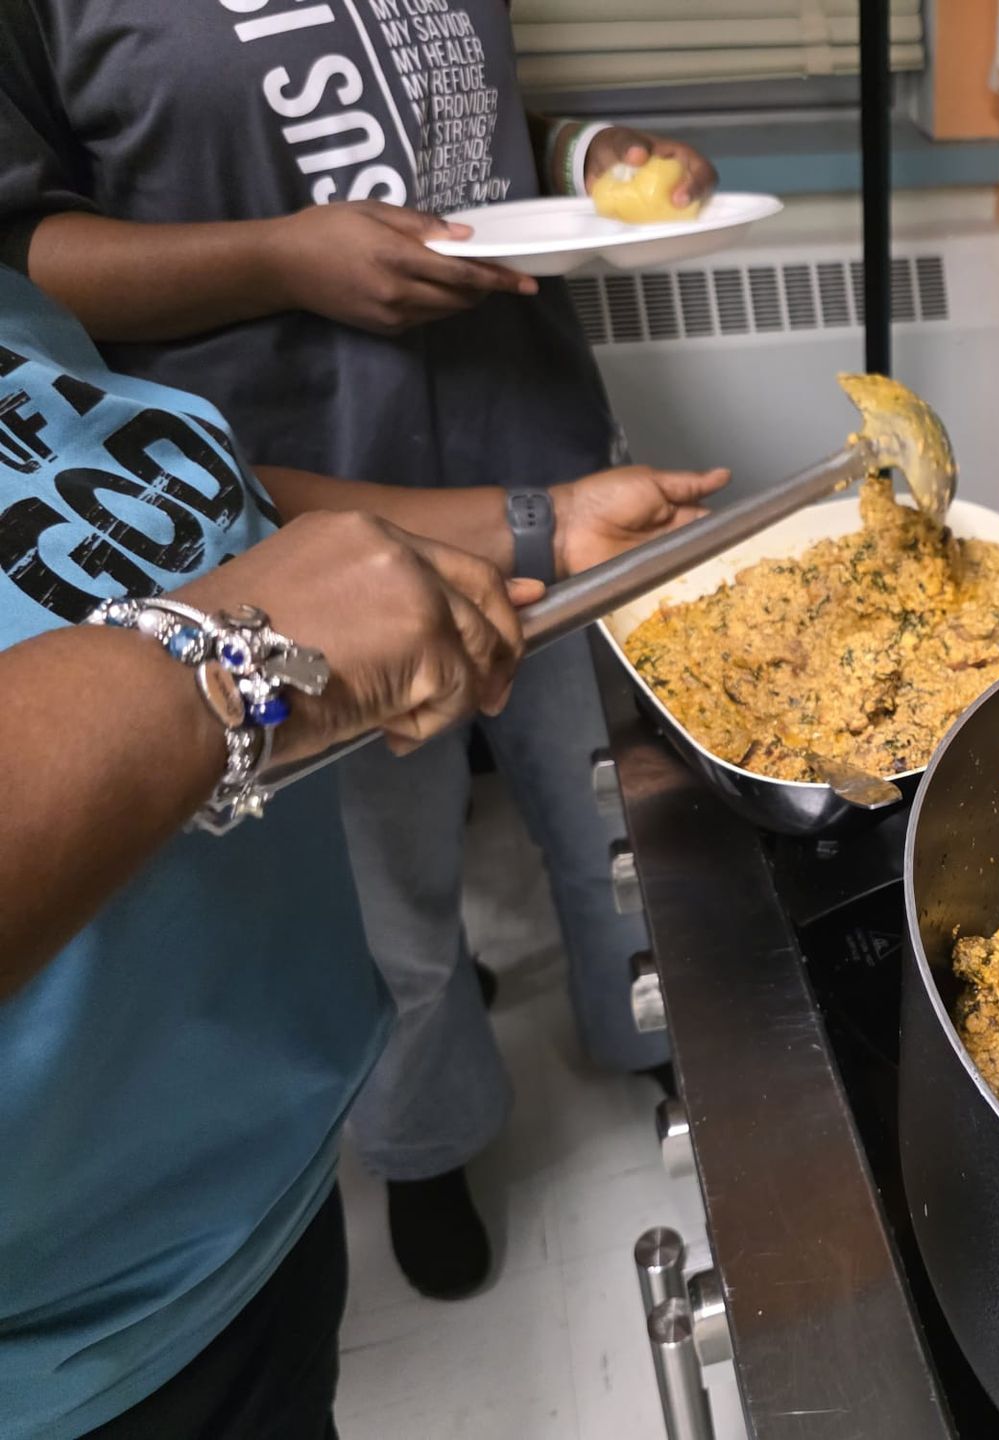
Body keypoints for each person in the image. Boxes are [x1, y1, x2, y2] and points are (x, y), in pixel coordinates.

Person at [0, 0, 727, 1297]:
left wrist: (578, 158)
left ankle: (652, 1038)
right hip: (294, 487)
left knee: (612, 797)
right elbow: (21, 256)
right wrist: (281, 258)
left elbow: (463, 148)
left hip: (528, 430)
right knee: (389, 882)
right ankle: (425, 1137)